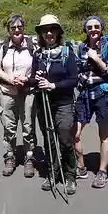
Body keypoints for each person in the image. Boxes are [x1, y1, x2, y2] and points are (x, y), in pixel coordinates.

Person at [28, 14, 78, 194]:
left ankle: (70, 176)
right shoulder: (38, 54)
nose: (49, 33)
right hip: (43, 102)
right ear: (41, 34)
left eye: (52, 29)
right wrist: (35, 80)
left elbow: (74, 80)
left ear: (58, 32)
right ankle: (52, 174)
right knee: (49, 140)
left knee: (65, 140)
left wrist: (53, 85)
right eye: (45, 30)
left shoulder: (67, 53)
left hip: (63, 103)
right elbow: (33, 79)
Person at [75, 16, 108, 188]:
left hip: (103, 94)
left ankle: (102, 171)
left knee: (103, 133)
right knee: (74, 132)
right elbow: (78, 69)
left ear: (101, 28)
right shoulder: (81, 47)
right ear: (85, 29)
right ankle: (80, 166)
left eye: (97, 26)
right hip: (85, 94)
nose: (93, 29)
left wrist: (97, 59)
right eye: (90, 27)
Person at [0, 14, 37, 178]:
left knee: (28, 126)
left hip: (27, 91)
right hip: (7, 92)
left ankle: (29, 158)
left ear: (23, 28)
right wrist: (9, 78)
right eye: (13, 28)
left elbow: (38, 66)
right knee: (9, 126)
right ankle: (10, 156)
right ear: (9, 30)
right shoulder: (3, 47)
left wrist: (26, 79)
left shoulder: (32, 45)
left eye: (19, 27)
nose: (17, 30)